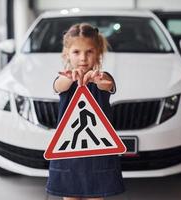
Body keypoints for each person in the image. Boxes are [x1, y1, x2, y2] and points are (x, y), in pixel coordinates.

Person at [46, 23, 125, 200]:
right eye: (76, 52)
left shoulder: (103, 78)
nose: (83, 58)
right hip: (69, 153)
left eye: (89, 52)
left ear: (98, 54)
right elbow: (58, 85)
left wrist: (98, 79)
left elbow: (107, 84)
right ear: (66, 54)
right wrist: (69, 78)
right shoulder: (64, 79)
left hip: (97, 154)